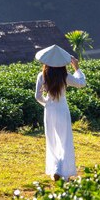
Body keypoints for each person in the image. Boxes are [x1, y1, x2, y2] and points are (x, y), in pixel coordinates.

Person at [34, 45, 86, 181]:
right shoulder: (65, 76)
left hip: (49, 110)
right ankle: (64, 173)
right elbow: (81, 83)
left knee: (52, 139)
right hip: (62, 109)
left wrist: (47, 103)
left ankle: (55, 169)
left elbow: (38, 96)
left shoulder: (42, 76)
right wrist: (77, 68)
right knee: (65, 140)